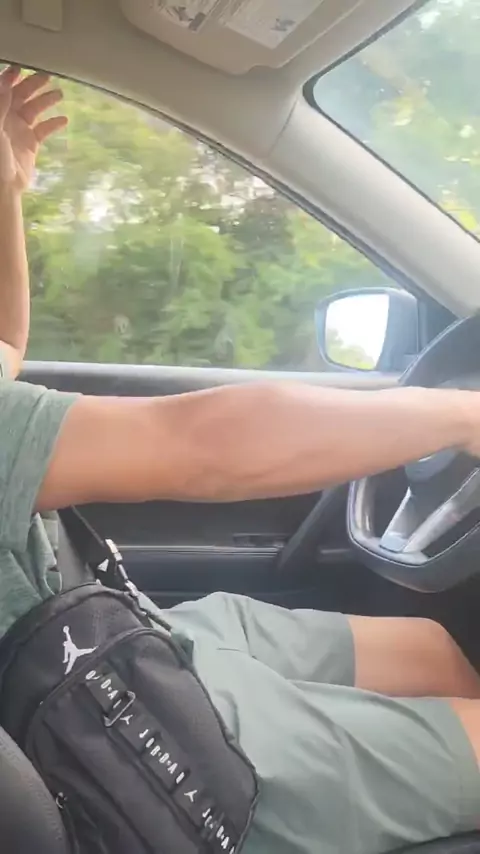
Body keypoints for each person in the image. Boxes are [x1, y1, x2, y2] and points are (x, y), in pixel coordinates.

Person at [1, 65, 480, 854]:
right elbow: (204, 446)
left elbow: (6, 348)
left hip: (113, 634)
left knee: (432, 648)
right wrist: (461, 417)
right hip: (114, 732)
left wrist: (7, 191)